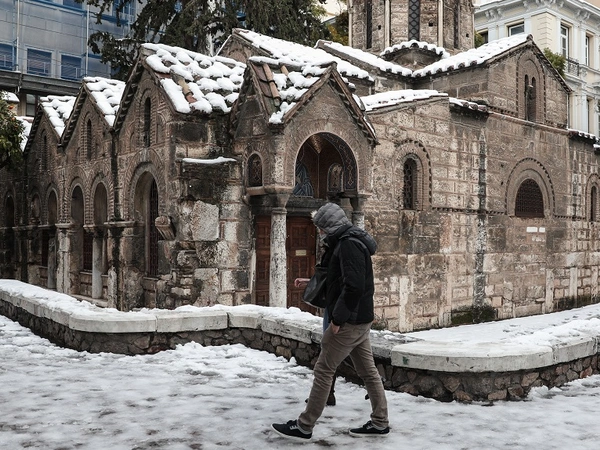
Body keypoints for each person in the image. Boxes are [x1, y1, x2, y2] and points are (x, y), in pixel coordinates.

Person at [272, 202, 389, 440]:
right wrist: (312, 282)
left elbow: (354, 287)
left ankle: (304, 425)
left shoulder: (349, 245)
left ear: (330, 225)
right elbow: (340, 278)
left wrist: (337, 319)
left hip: (349, 321)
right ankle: (380, 422)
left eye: (321, 227)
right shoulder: (347, 242)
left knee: (324, 369)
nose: (319, 232)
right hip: (359, 319)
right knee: (368, 372)